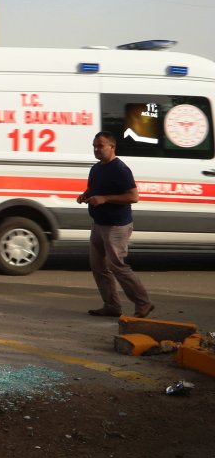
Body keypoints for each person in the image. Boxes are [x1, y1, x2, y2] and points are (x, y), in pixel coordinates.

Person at [77, 131, 153, 318]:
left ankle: (143, 303)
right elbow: (94, 188)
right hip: (98, 224)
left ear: (112, 146)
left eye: (100, 146)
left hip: (116, 226)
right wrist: (85, 195)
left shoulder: (120, 169)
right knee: (98, 266)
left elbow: (133, 196)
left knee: (117, 265)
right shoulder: (96, 168)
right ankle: (111, 305)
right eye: (94, 146)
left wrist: (105, 199)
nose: (96, 149)